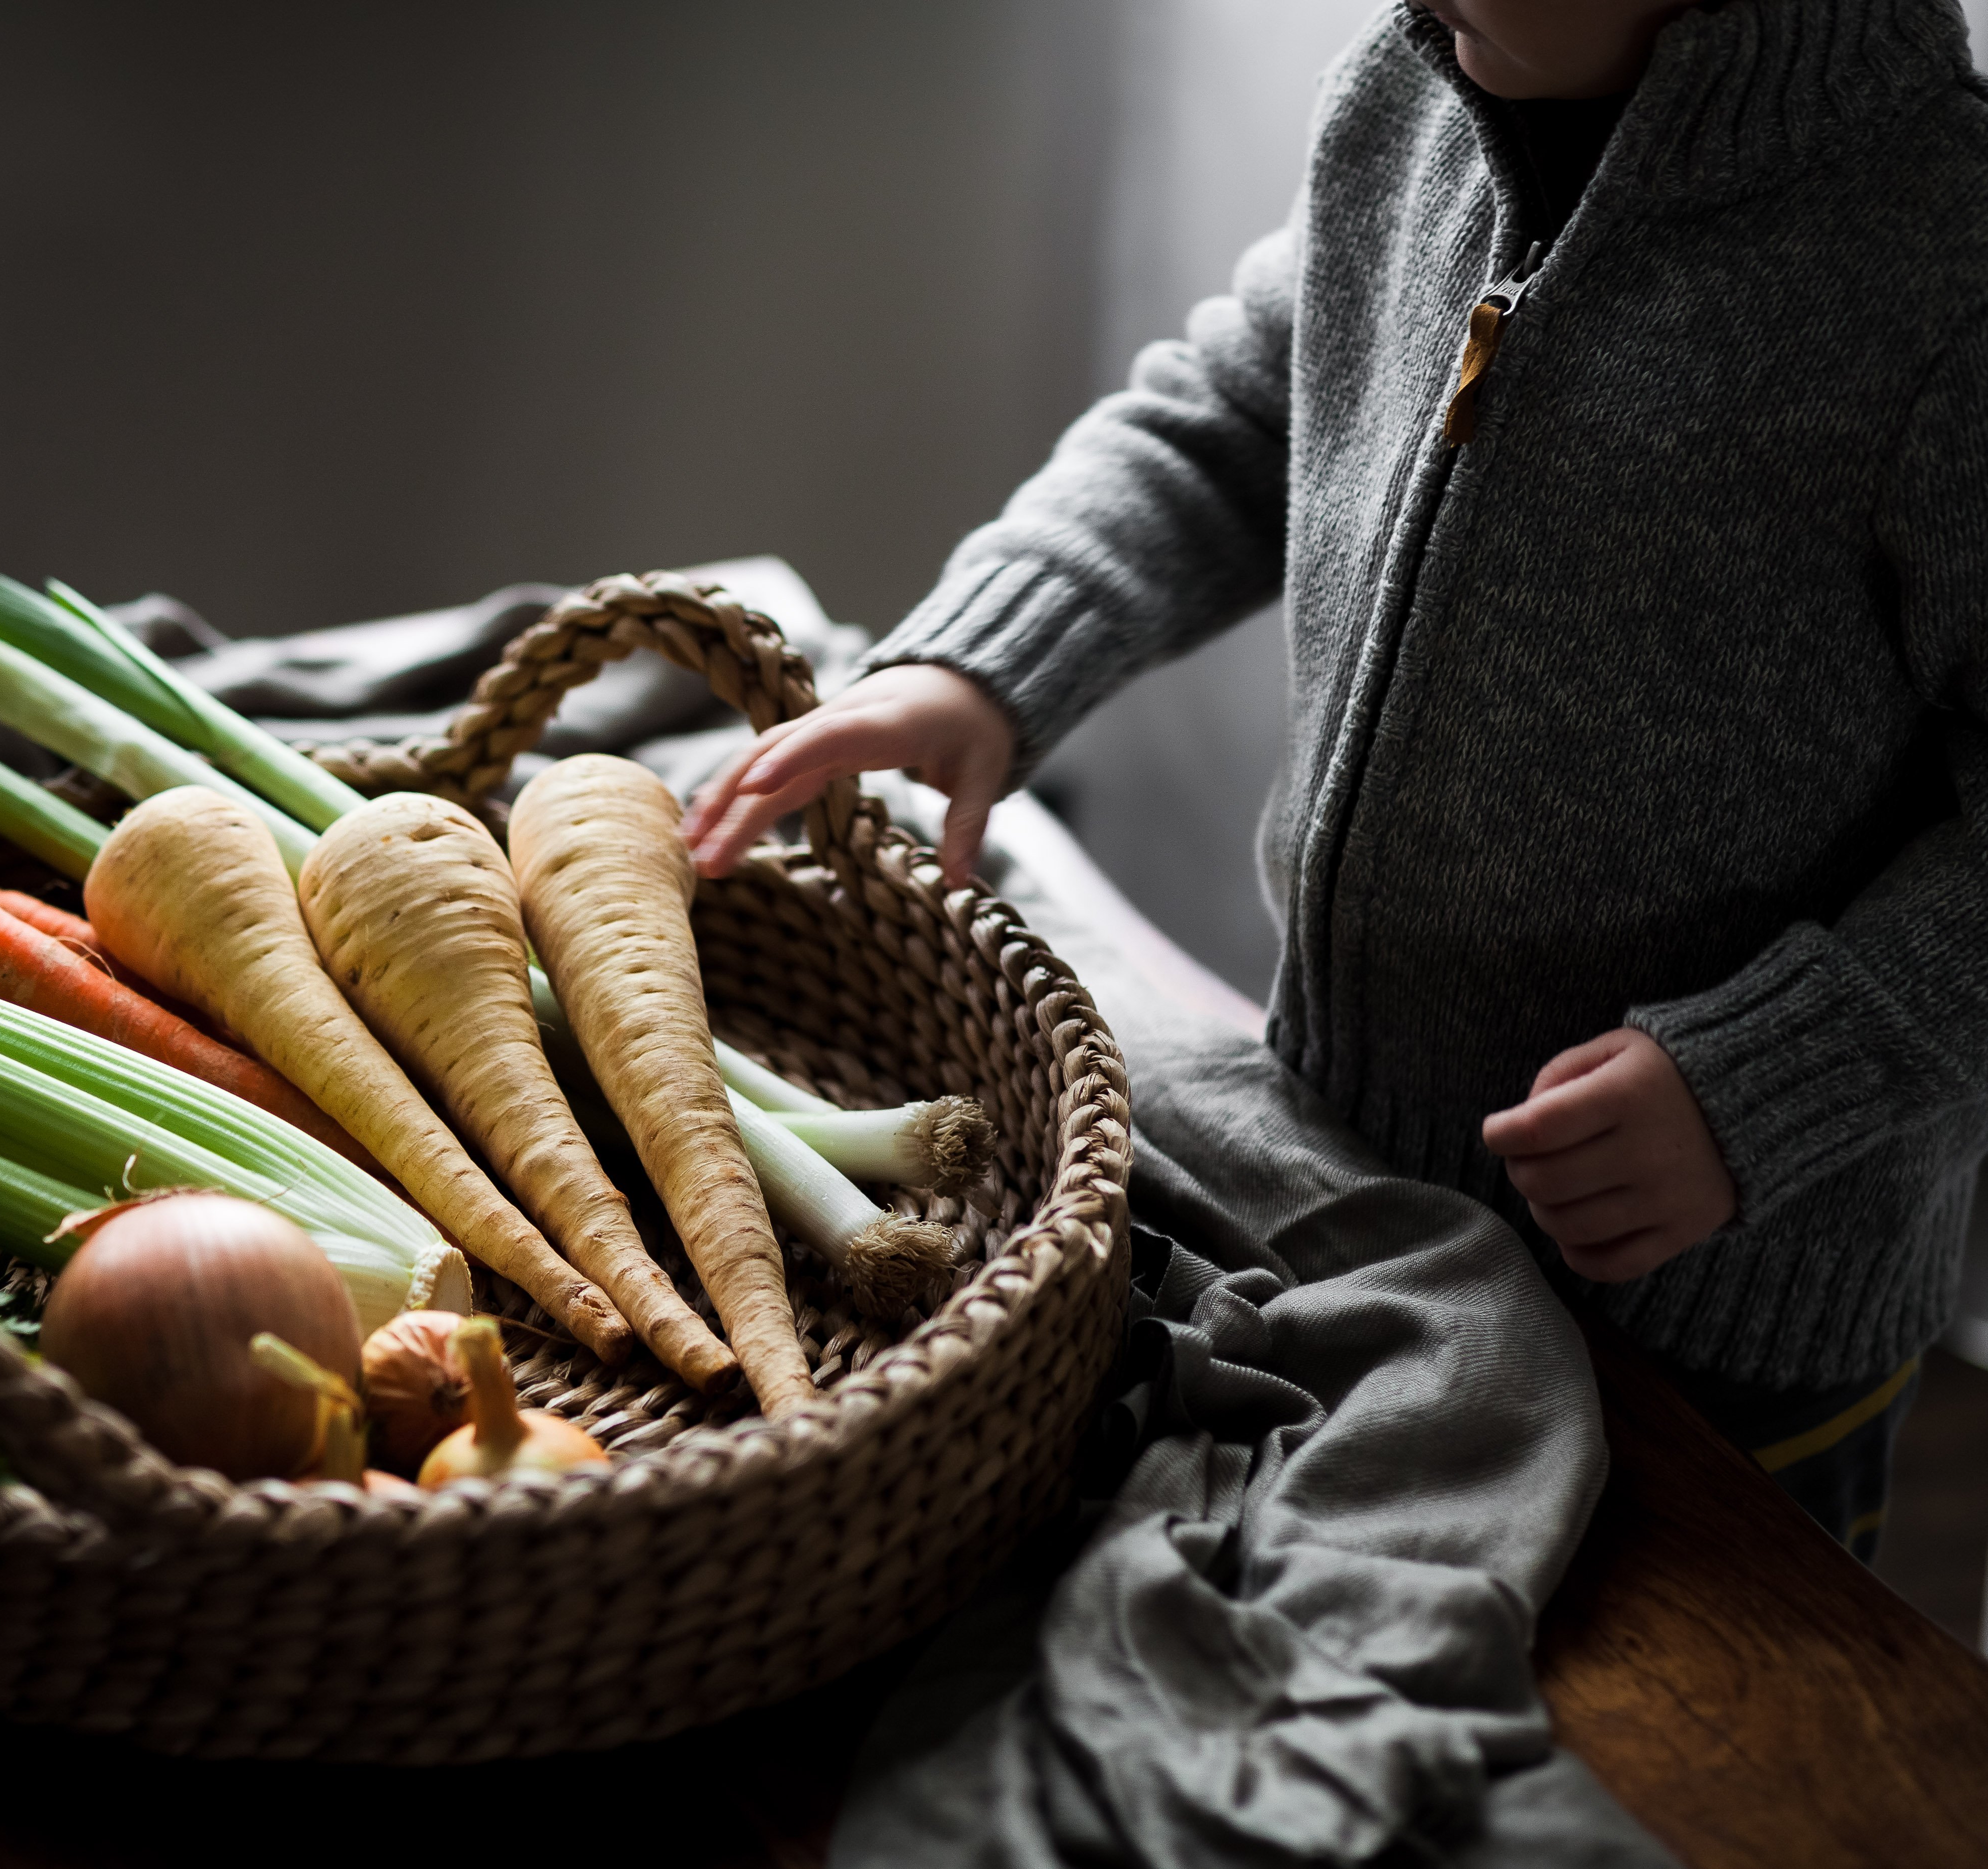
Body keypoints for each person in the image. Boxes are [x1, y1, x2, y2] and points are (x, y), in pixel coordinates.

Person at [683, 0, 1988, 1558]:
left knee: (1671, 1755)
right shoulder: (1413, 94)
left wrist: (1767, 1083)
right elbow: (1237, 411)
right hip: (1354, 1193)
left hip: (1719, 1320)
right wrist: (985, 659)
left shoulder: (1942, 279)